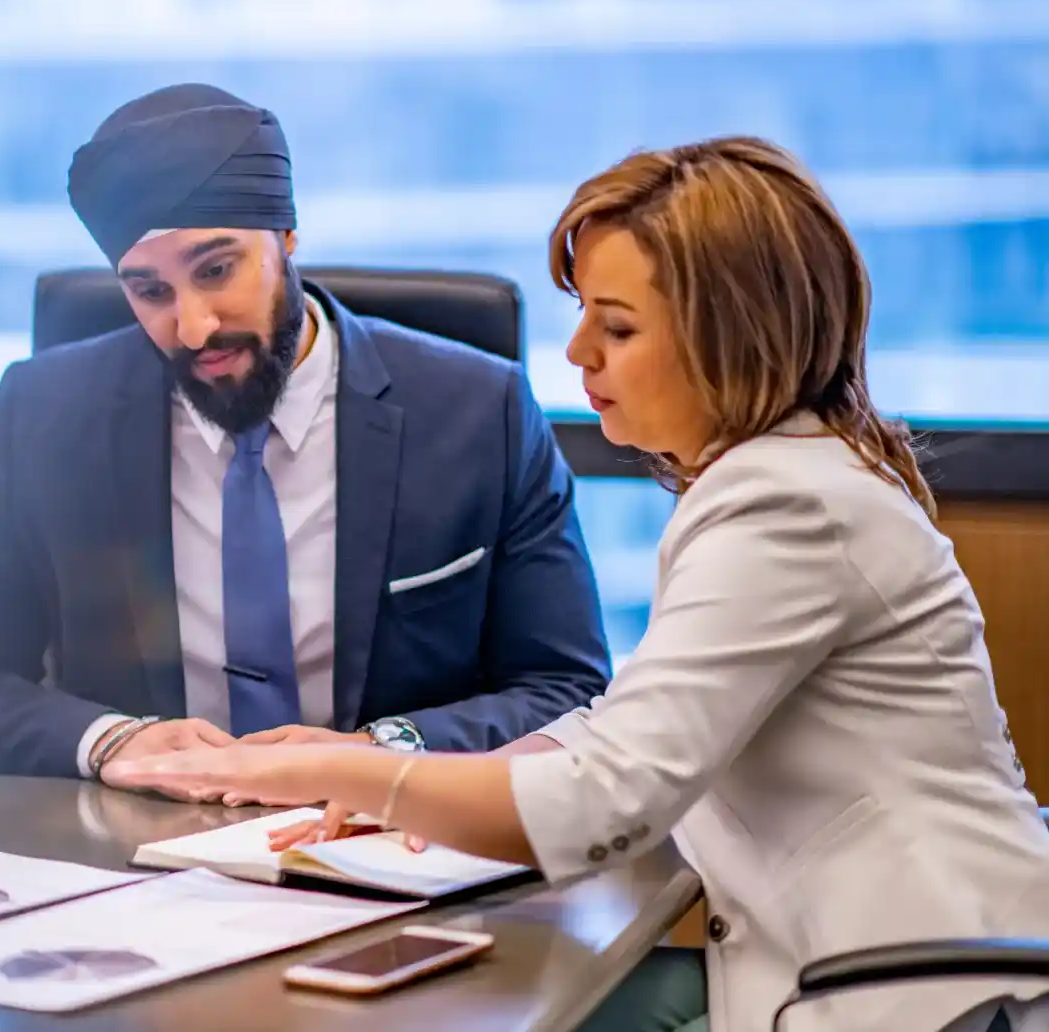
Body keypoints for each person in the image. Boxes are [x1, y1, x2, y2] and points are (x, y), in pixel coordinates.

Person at [105, 135, 1049, 1032]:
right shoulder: (777, 478)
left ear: (735, 336)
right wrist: (400, 778)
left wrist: (326, 769)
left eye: (620, 326)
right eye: (584, 316)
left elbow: (609, 797)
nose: (578, 355)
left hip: (923, 989)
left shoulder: (785, 508)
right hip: (859, 955)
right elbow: (619, 726)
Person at [0, 82, 611, 785]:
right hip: (131, 856)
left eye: (217, 270)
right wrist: (115, 743)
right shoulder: (42, 416)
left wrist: (379, 757)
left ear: (287, 236)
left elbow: (565, 687)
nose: (193, 327)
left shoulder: (479, 411)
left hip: (392, 839)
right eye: (150, 291)